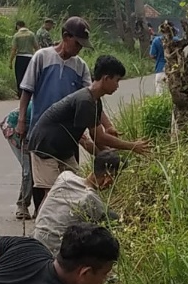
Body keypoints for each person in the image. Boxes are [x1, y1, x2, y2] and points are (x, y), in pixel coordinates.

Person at [27, 55, 150, 202]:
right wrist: (132, 146)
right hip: (44, 147)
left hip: (63, 149)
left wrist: (111, 159)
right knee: (53, 195)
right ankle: (44, 224)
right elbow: (100, 137)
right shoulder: (85, 100)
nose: (118, 86)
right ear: (106, 78)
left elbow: (91, 139)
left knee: (75, 188)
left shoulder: (95, 101)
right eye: (117, 80)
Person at [33, 150, 121, 257]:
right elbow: (112, 221)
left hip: (36, 238)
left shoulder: (65, 177)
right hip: (55, 250)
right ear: (108, 177)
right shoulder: (89, 198)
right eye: (114, 177)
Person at [10, 21, 39, 97]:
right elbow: (36, 47)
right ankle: (29, 93)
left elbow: (14, 49)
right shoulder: (31, 34)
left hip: (20, 57)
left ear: (17, 26)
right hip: (30, 57)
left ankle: (20, 93)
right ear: (25, 25)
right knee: (29, 75)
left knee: (19, 75)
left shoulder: (17, 35)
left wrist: (10, 61)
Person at [149, 20, 177, 94]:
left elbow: (152, 55)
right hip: (173, 70)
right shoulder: (176, 41)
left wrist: (158, 57)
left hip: (160, 70)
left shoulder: (156, 40)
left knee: (160, 94)